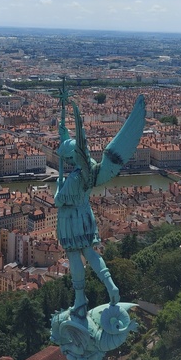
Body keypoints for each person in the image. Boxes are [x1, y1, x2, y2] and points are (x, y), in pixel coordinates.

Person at [55, 92, 145, 318]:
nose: (66, 161)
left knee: (74, 255)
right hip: (86, 215)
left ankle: (79, 299)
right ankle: (111, 285)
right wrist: (65, 135)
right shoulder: (91, 169)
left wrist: (57, 187)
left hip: (70, 218)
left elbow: (58, 200)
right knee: (90, 252)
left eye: (66, 158)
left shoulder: (73, 179)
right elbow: (77, 150)